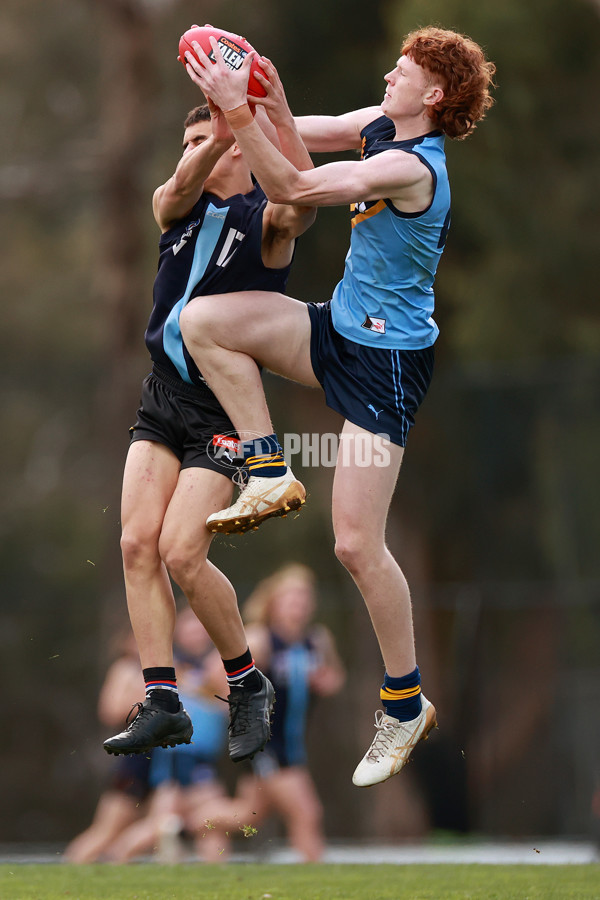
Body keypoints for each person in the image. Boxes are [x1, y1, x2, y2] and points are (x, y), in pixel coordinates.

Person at [178, 27, 496, 787]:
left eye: (404, 71)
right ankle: (267, 468)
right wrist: (261, 92)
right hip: (338, 331)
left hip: (387, 368)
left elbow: (290, 186)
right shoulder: (379, 129)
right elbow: (304, 137)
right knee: (206, 321)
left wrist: (243, 112)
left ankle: (405, 701)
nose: (388, 73)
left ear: (435, 95)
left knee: (355, 544)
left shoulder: (409, 167)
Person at [102, 76, 316, 764]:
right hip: (161, 397)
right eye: (187, 142)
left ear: (242, 152)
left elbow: (300, 206)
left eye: (207, 140)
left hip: (220, 411)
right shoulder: (177, 206)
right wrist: (217, 131)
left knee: (181, 552)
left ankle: (247, 683)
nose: (191, 153)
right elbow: (171, 188)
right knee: (137, 546)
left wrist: (250, 125)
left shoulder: (268, 219)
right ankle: (163, 701)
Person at [193, 563, 345, 862]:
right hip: (265, 742)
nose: (298, 604)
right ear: (273, 602)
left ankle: (193, 821)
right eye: (291, 597)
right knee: (306, 811)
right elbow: (213, 672)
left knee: (247, 815)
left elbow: (335, 678)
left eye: (304, 598)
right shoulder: (261, 639)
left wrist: (324, 681)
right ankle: (319, 885)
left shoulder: (316, 640)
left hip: (292, 742)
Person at [108, 610, 230, 863]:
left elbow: (225, 703)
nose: (197, 632)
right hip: (170, 757)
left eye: (201, 627)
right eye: (190, 627)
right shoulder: (161, 666)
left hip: (199, 757)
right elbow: (117, 709)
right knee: (158, 826)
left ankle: (220, 877)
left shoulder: (211, 665)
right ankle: (113, 863)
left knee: (207, 826)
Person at [64, 630, 152, 863]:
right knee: (106, 831)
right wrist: (150, 703)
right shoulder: (126, 668)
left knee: (150, 826)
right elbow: (110, 710)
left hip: (156, 759)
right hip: (132, 760)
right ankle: (69, 870)